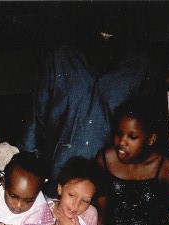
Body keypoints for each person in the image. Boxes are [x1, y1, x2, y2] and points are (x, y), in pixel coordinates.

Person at [19, 17, 161, 197]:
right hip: (55, 178)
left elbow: (145, 132)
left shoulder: (141, 68)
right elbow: (35, 118)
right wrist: (28, 171)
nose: (107, 26)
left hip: (105, 186)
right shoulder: (60, 57)